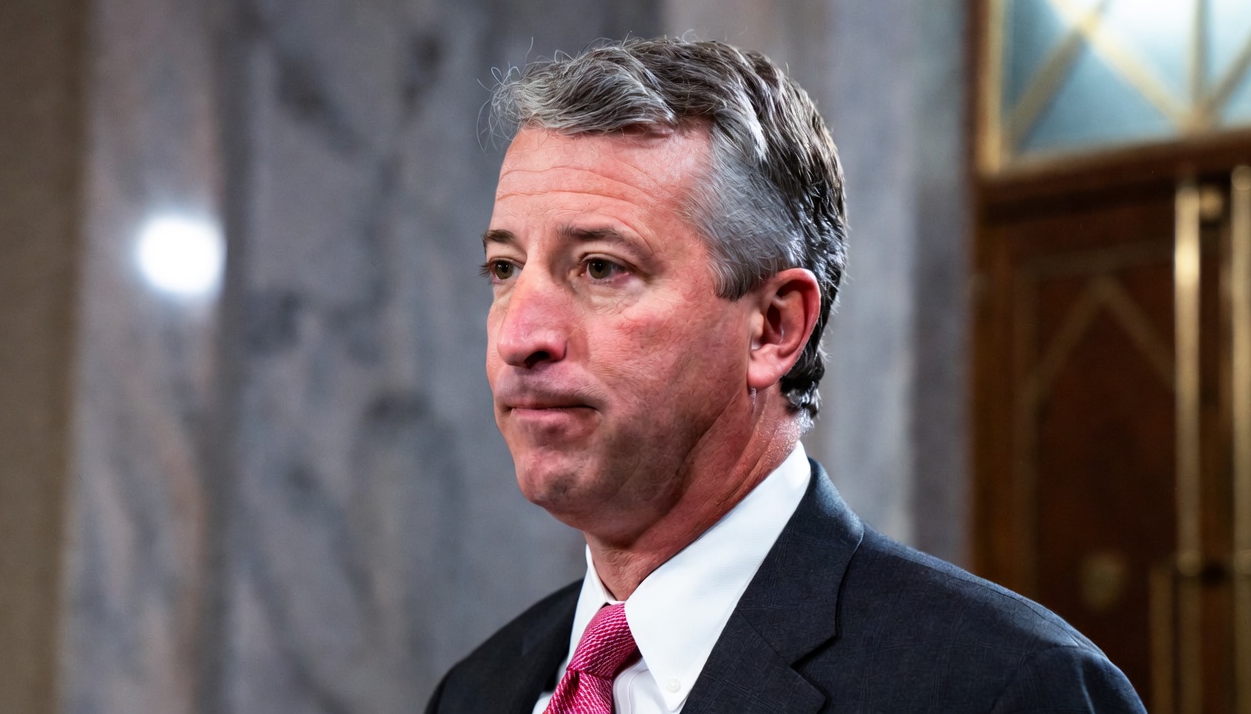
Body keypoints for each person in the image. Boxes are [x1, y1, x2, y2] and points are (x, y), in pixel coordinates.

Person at [426, 37, 1145, 713]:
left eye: (602, 267)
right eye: (504, 268)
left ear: (774, 328)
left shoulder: (1004, 687)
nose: (519, 337)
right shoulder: (477, 691)